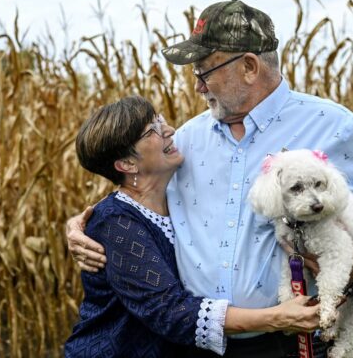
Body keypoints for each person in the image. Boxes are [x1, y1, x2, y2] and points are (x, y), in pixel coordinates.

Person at [66, 0, 353, 357]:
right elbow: (136, 193)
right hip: (194, 345)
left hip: (289, 342)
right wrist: (87, 224)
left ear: (249, 67)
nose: (198, 86)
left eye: (204, 71)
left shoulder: (333, 125)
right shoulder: (187, 140)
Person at [64, 95, 321, 358]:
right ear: (127, 164)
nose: (169, 130)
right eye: (152, 130)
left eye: (160, 119)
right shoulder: (115, 222)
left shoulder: (176, 197)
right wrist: (275, 317)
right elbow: (169, 311)